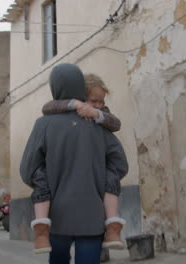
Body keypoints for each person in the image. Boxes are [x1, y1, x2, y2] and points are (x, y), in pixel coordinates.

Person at [20, 63, 128, 264]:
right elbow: (120, 165)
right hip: (93, 216)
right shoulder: (100, 126)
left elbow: (28, 171)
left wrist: (45, 183)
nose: (97, 105)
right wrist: (103, 182)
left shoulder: (43, 124)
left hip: (56, 217)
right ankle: (114, 230)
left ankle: (41, 233)